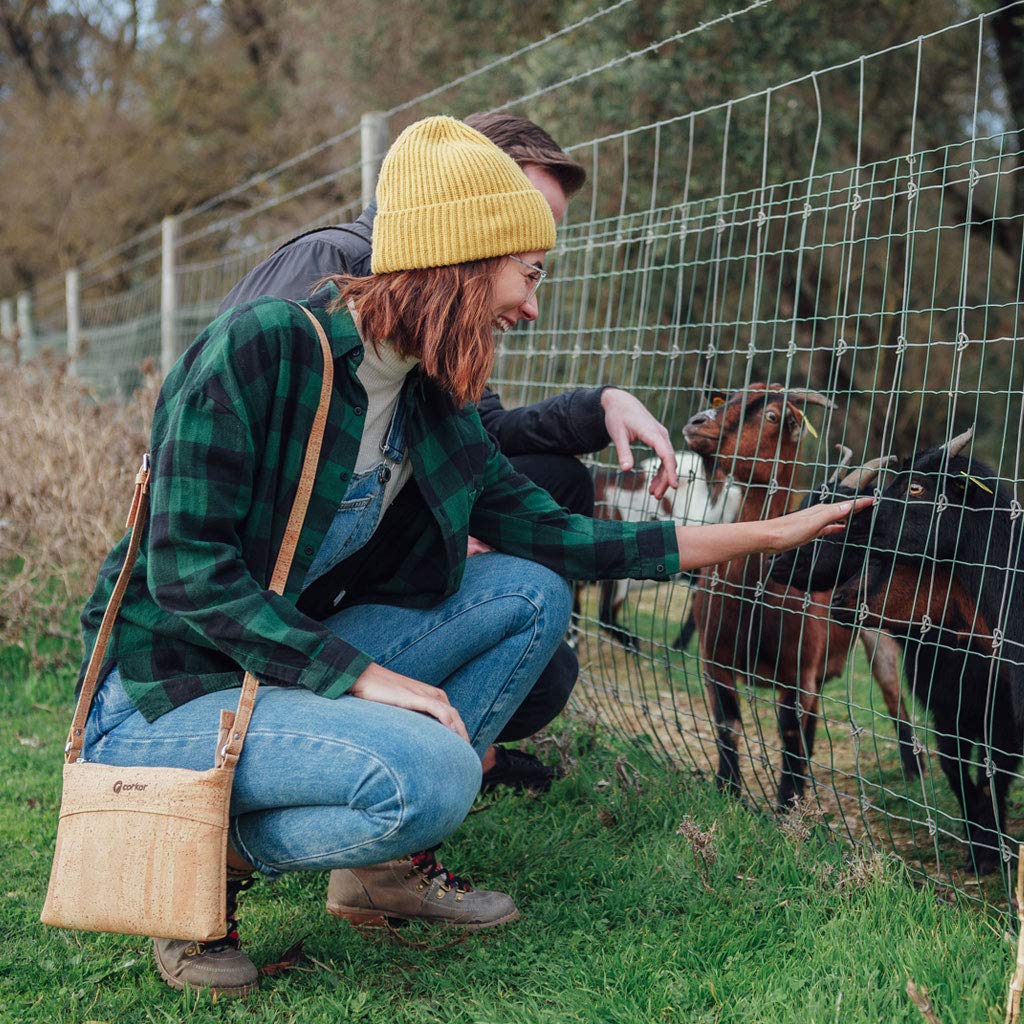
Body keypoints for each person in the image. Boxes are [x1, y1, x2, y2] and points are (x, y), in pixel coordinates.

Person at [77, 116, 869, 999]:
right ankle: (190, 859)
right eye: (527, 275)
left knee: (530, 591)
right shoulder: (265, 347)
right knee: (435, 774)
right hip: (167, 692)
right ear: (462, 261)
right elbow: (187, 572)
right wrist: (361, 676)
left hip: (277, 673)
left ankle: (377, 875)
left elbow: (564, 536)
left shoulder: (427, 399)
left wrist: (771, 533)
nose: (532, 307)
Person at [220, 113, 680, 794]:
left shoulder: (437, 314)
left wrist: (601, 404)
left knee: (548, 630)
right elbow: (218, 453)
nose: (529, 284)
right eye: (522, 241)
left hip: (343, 560)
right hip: (259, 602)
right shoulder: (326, 278)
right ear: (467, 199)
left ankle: (427, 777)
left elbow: (482, 437)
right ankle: (359, 762)